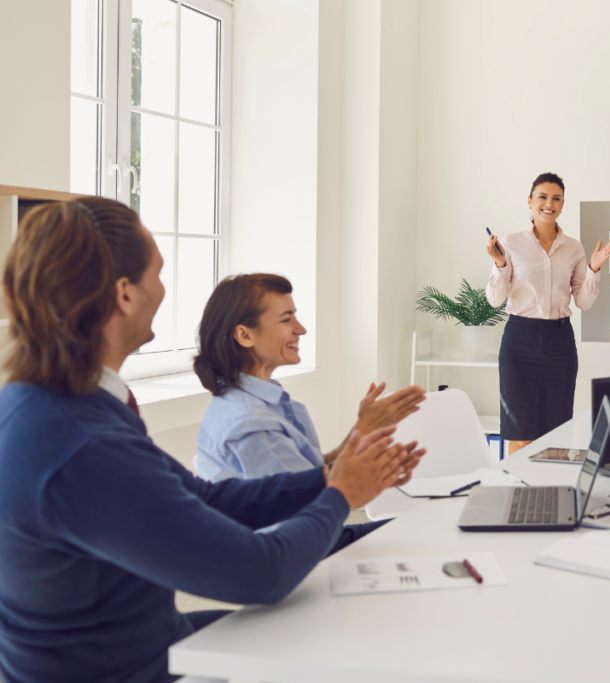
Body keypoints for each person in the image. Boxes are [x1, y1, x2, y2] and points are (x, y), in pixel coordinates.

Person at [0, 198, 424, 683]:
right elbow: (258, 574)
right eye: (157, 272)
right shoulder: (81, 443)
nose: (164, 287)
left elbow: (201, 497)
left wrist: (329, 477)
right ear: (124, 293)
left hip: (147, 644)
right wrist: (341, 495)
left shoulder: (53, 400)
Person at [193, 273, 426, 481]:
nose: (301, 329)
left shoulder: (263, 401)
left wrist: (364, 429)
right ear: (244, 335)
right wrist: (372, 466)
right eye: (286, 319)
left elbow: (310, 473)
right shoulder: (250, 425)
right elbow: (305, 500)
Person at [485, 172, 610, 454]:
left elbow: (583, 302)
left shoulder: (574, 248)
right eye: (542, 197)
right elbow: (495, 300)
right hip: (519, 341)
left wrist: (593, 269)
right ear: (530, 202)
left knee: (557, 434)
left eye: (556, 198)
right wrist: (499, 264)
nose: (549, 203)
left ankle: (550, 495)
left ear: (563, 204)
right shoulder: (511, 243)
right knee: (519, 434)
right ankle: (520, 494)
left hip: (559, 343)